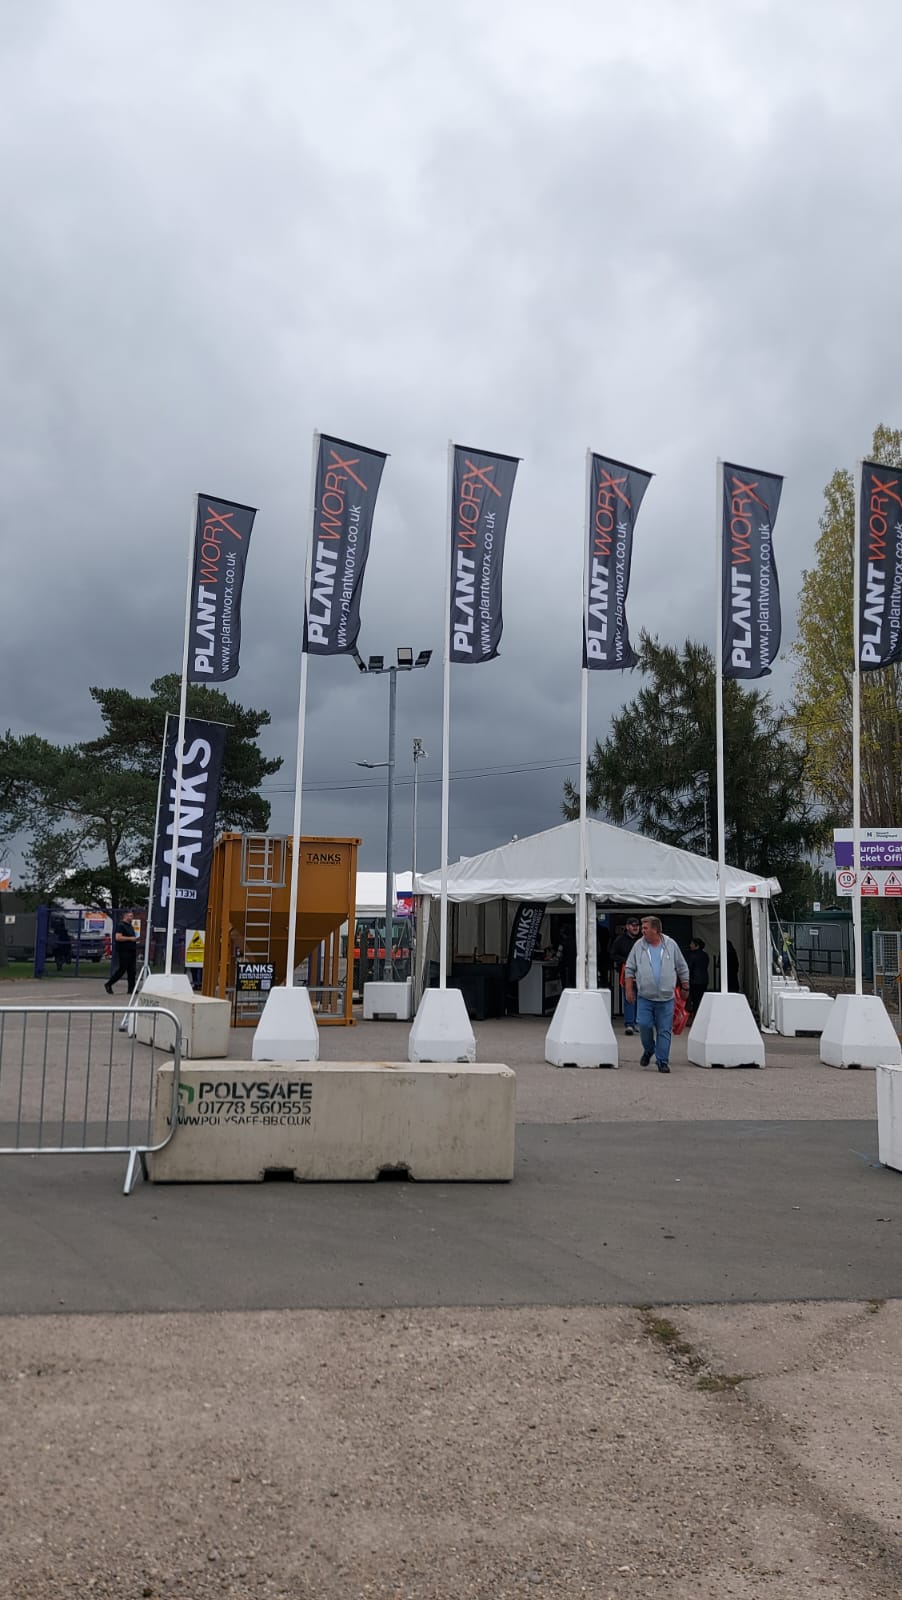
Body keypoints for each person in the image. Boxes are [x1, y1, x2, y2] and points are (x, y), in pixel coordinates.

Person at [624, 915, 690, 1073]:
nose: (642, 931)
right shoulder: (638, 946)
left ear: (656, 930)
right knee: (644, 1025)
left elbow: (682, 966)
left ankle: (662, 1061)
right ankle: (649, 1048)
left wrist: (685, 987)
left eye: (645, 928)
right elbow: (629, 969)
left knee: (664, 1030)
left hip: (666, 998)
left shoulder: (671, 945)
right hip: (645, 996)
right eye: (642, 927)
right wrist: (628, 989)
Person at [609, 915, 642, 1034]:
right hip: (626, 971)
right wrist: (625, 961)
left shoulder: (642, 939)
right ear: (627, 927)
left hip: (641, 972)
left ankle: (638, 1023)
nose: (636, 928)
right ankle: (629, 1023)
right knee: (629, 996)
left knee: (641, 997)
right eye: (633, 926)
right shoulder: (620, 940)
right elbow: (612, 954)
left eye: (637, 925)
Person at [105, 910, 138, 995]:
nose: (131, 917)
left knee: (132, 970)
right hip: (124, 951)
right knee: (122, 969)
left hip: (131, 950)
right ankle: (109, 984)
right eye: (130, 916)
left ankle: (131, 989)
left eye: (132, 915)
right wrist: (130, 938)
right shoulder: (121, 925)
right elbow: (118, 937)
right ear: (125, 916)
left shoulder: (130, 926)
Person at [686, 937, 710, 1017]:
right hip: (704, 979)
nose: (690, 945)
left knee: (695, 1000)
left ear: (697, 945)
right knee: (701, 998)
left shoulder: (692, 955)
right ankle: (702, 1015)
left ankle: (696, 1016)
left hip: (694, 980)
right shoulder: (705, 955)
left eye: (692, 944)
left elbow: (689, 967)